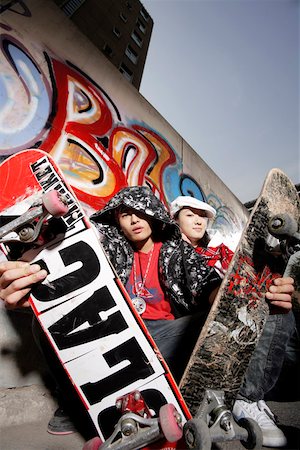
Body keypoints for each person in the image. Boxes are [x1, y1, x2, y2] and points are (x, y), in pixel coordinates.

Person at [0, 186, 294, 443]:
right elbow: (66, 258)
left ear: (153, 214)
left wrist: (241, 297)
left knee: (272, 308)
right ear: (117, 220)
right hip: (120, 340)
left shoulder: (177, 251)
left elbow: (208, 285)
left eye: (140, 212)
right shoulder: (111, 250)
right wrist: (33, 280)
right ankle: (76, 402)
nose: (134, 219)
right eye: (125, 214)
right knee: (44, 323)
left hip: (170, 339)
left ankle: (246, 399)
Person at [170, 195, 296, 448]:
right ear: (176, 220)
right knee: (268, 306)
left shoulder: (218, 252)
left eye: (202, 216)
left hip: (237, 311)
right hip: (201, 321)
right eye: (190, 215)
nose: (198, 221)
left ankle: (254, 392)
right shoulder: (174, 252)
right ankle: (245, 399)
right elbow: (199, 291)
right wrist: (236, 293)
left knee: (283, 309)